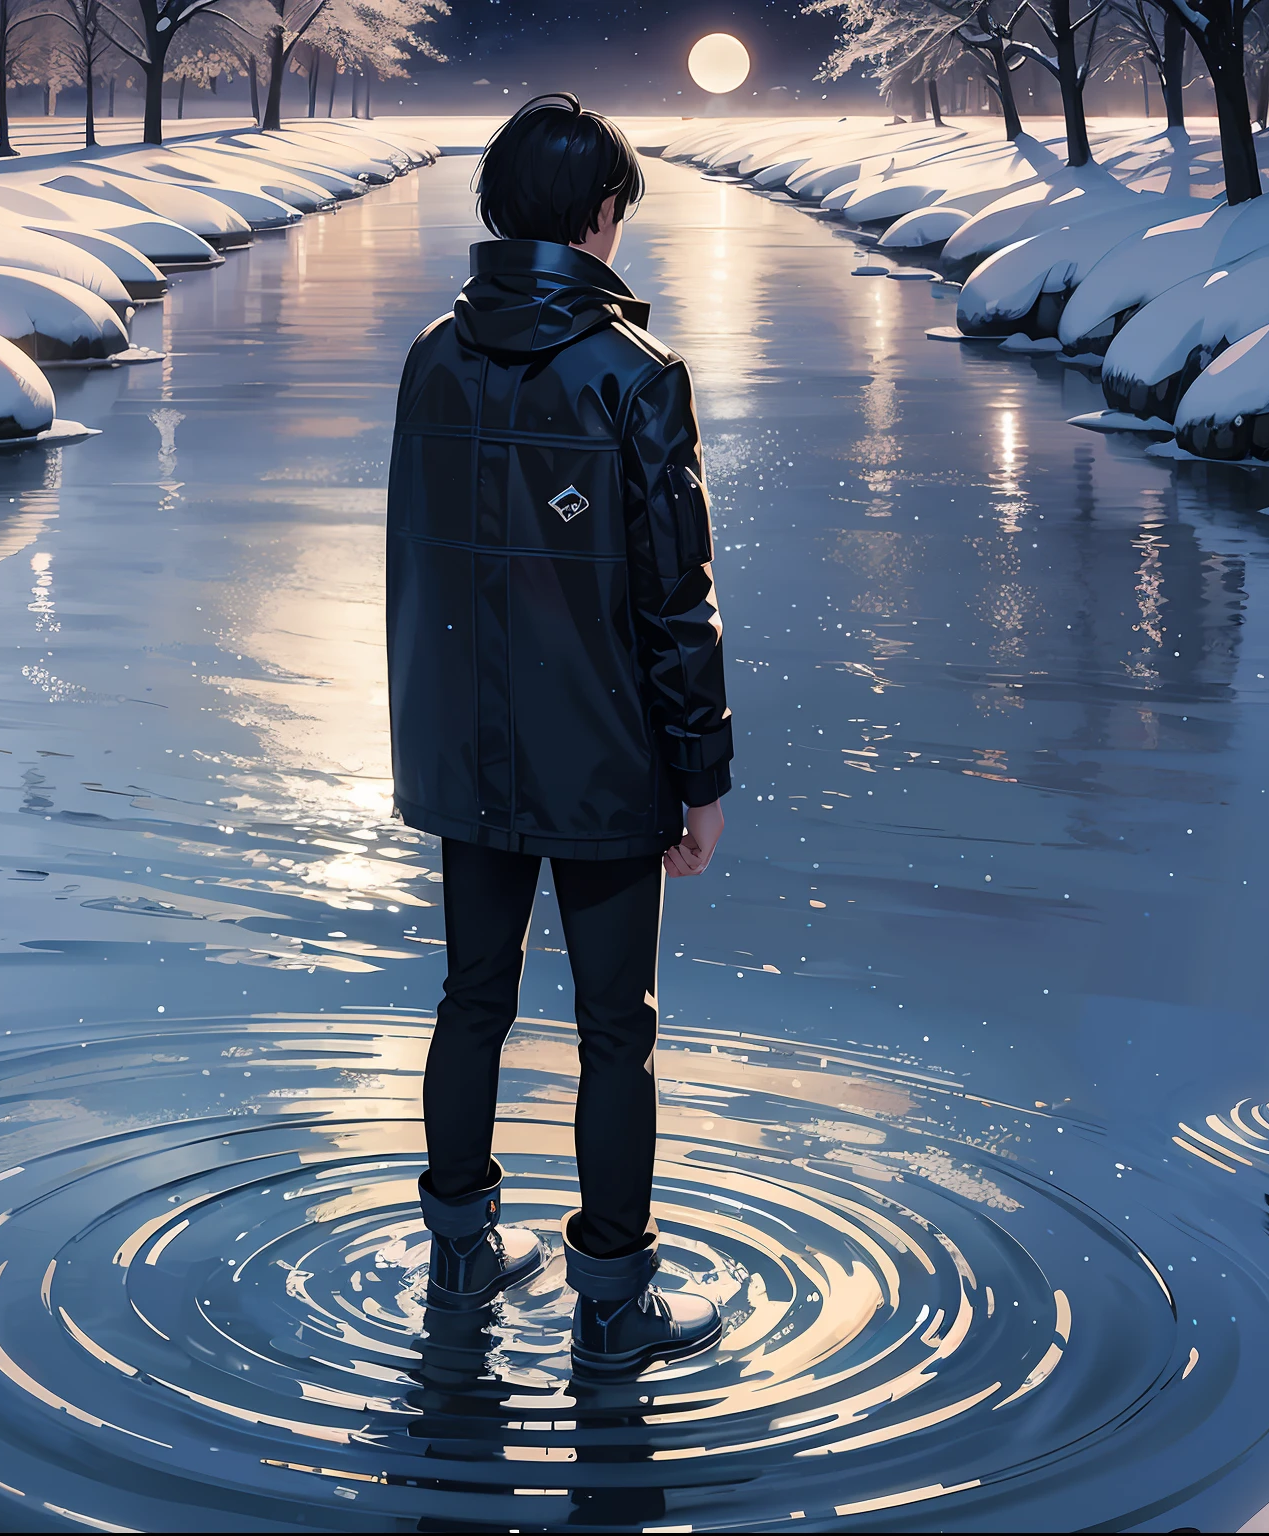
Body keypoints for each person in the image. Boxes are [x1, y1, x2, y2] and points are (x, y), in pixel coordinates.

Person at [384, 93, 733, 1376]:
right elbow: (672, 599)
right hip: (601, 761)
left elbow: (420, 571)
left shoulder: (429, 356)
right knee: (612, 1029)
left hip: (461, 751)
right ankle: (608, 1307)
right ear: (602, 218)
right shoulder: (632, 378)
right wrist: (700, 773)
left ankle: (463, 1253)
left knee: (469, 998)